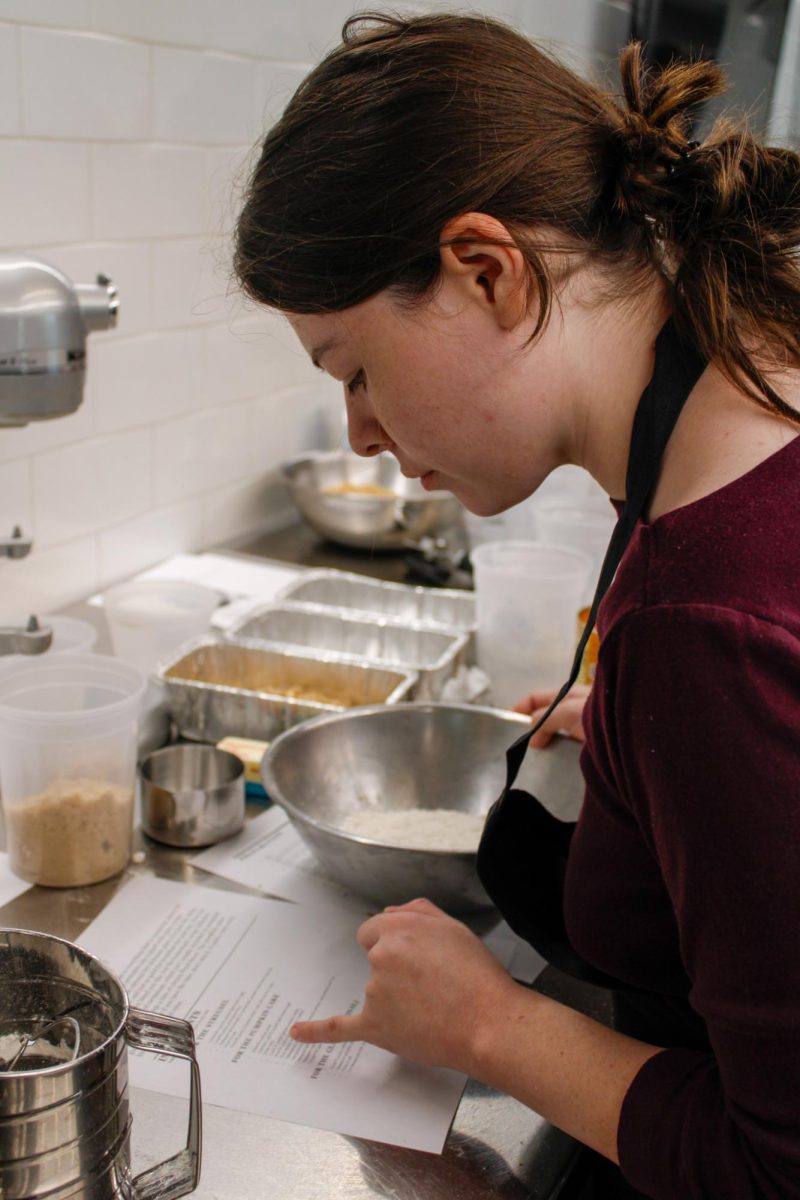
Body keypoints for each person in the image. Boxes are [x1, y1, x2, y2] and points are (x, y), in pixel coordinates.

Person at [234, 13, 800, 1198]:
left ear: (487, 271)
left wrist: (493, 1029)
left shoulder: (709, 627)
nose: (362, 434)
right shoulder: (745, 386)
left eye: (355, 370)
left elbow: (777, 1167)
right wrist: (660, 754)